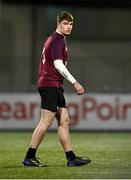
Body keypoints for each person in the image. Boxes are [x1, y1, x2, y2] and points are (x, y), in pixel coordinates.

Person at [23, 11, 91, 167]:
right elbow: (58, 65)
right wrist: (75, 82)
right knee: (45, 122)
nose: (69, 27)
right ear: (58, 24)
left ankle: (71, 158)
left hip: (54, 85)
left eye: (71, 24)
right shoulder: (57, 40)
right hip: (50, 84)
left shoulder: (56, 39)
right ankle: (29, 157)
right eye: (65, 23)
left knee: (64, 121)